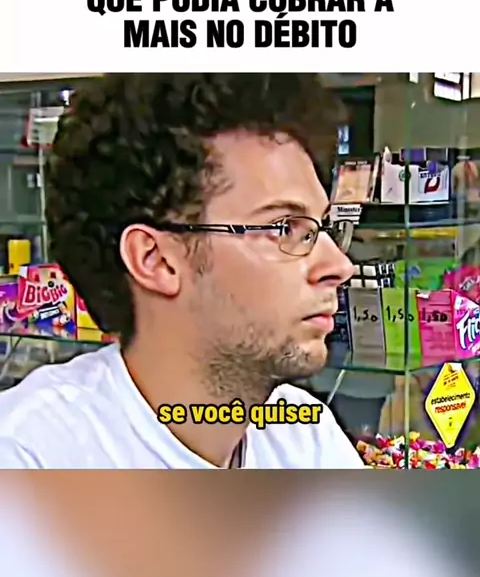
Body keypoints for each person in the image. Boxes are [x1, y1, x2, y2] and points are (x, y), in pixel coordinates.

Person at [0, 73, 363, 469]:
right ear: (155, 259)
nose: (339, 266)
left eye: (319, 228)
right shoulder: (29, 454)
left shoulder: (304, 434)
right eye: (283, 228)